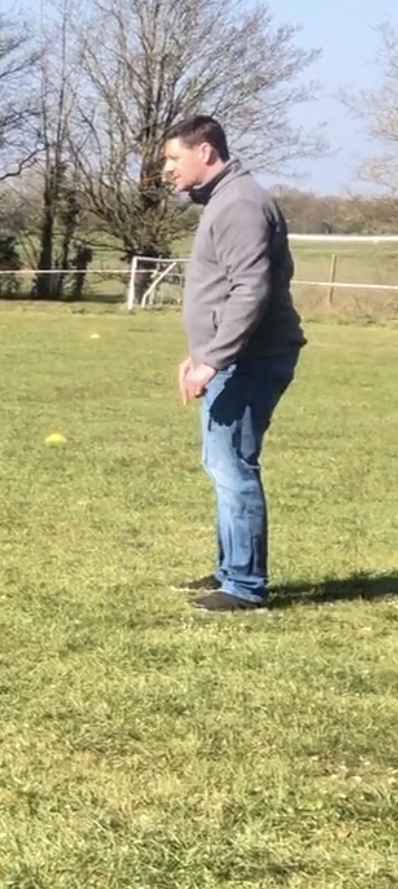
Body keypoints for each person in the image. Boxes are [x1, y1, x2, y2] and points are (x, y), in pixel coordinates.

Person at [162, 115, 306, 612]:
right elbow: (226, 291)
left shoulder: (240, 203)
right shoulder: (225, 200)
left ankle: (245, 586)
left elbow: (251, 290)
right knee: (222, 463)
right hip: (234, 356)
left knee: (233, 467)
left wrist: (215, 359)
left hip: (251, 359)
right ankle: (230, 571)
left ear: (204, 152)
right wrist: (202, 351)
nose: (168, 169)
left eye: (173, 158)